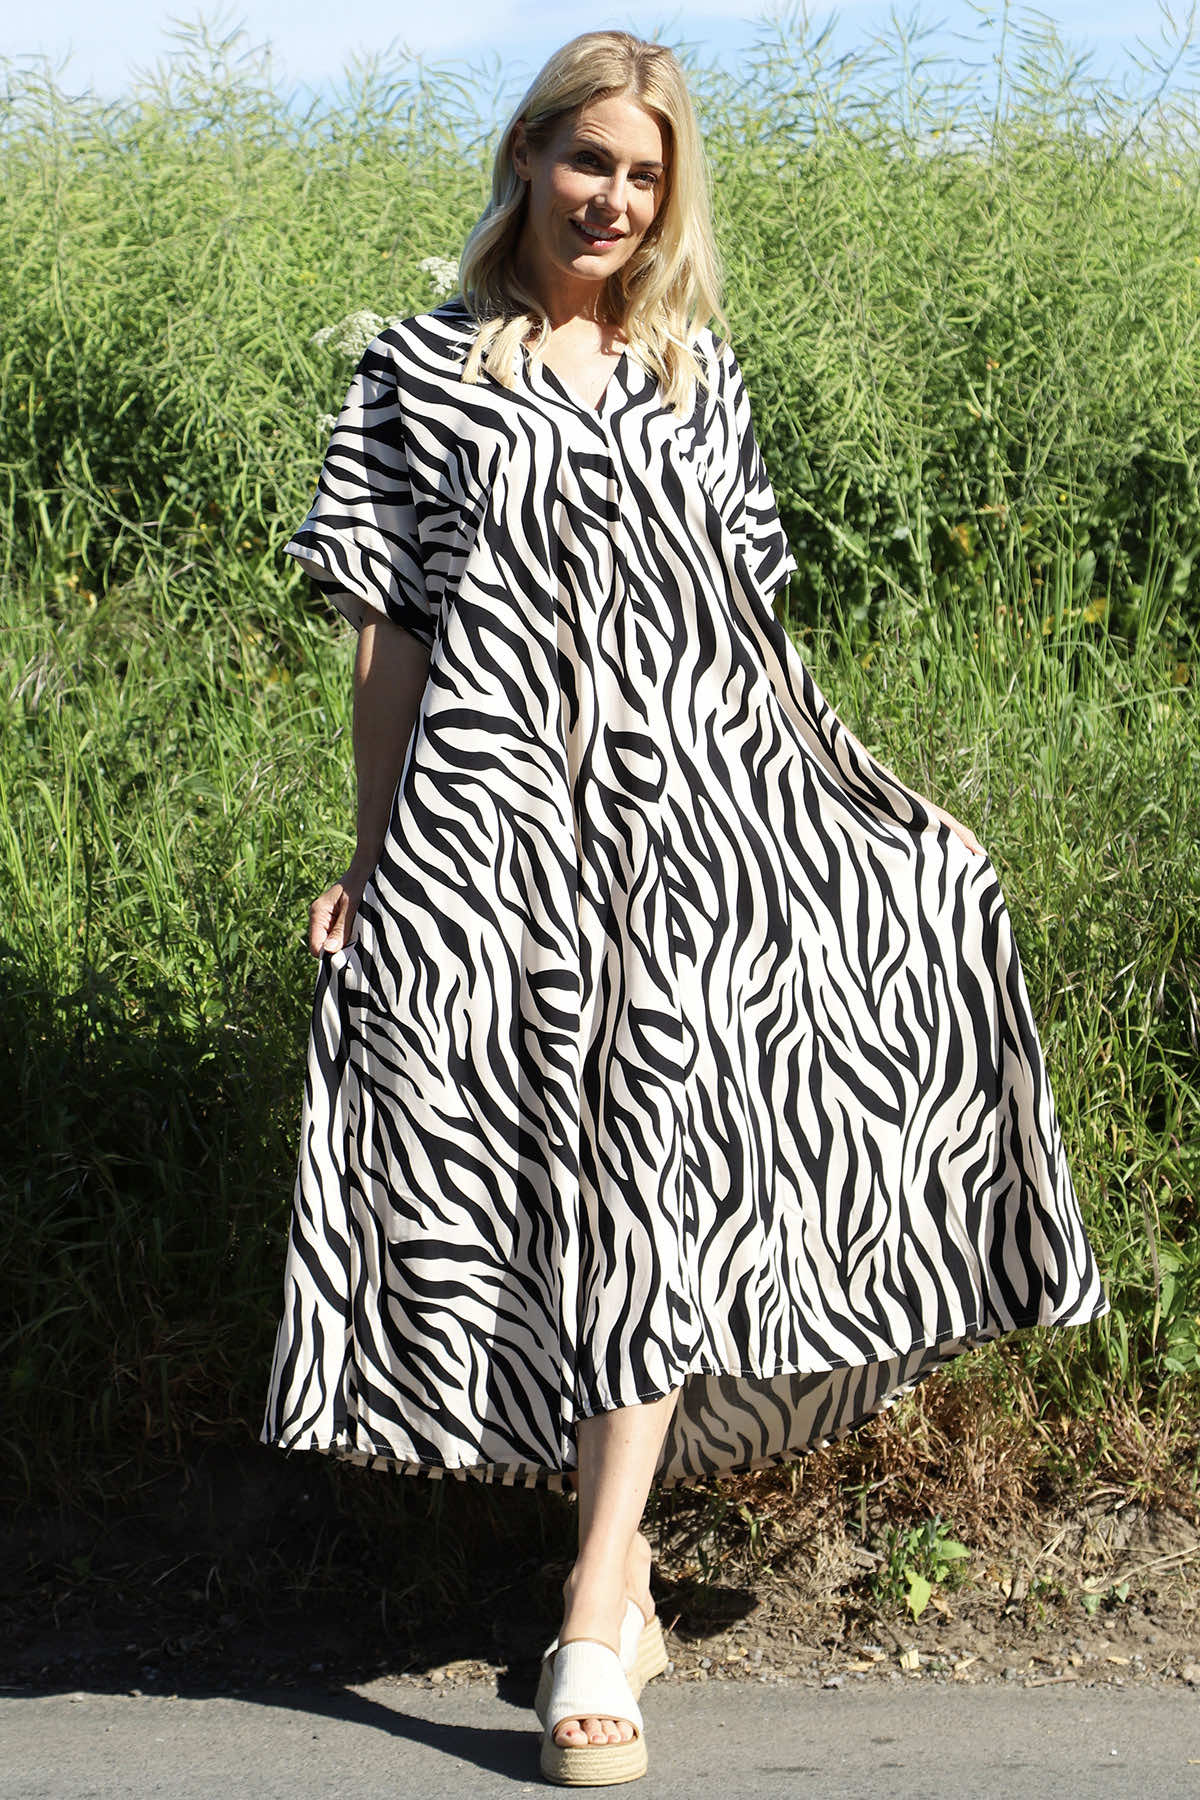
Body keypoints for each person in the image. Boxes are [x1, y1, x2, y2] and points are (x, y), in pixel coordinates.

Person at [261, 28, 1109, 1786]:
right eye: (590, 161)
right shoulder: (411, 370)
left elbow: (748, 631)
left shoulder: (692, 375)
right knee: (542, 1181)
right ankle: (622, 1567)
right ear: (528, 156)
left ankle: (592, 1606)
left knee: (657, 1167)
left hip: (693, 825)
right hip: (497, 823)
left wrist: (875, 802)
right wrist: (370, 848)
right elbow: (390, 636)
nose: (615, 200)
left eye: (646, 176)